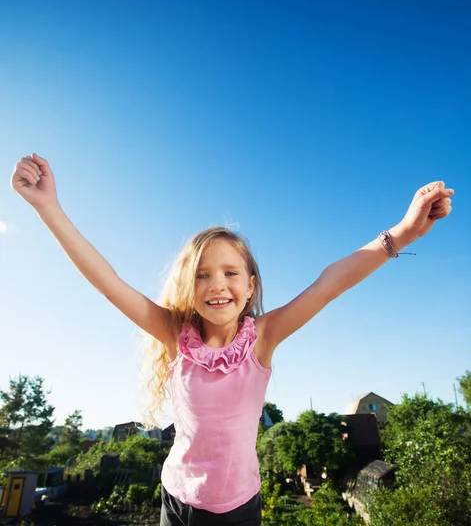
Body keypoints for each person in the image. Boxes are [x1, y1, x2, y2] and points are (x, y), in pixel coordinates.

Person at [11, 153, 453, 525]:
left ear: (249, 285)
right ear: (189, 286)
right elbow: (108, 281)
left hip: (240, 509)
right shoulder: (173, 334)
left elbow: (330, 283)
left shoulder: (263, 337)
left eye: (229, 273)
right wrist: (47, 206)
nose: (216, 285)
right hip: (177, 502)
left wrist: (404, 232)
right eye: (202, 275)